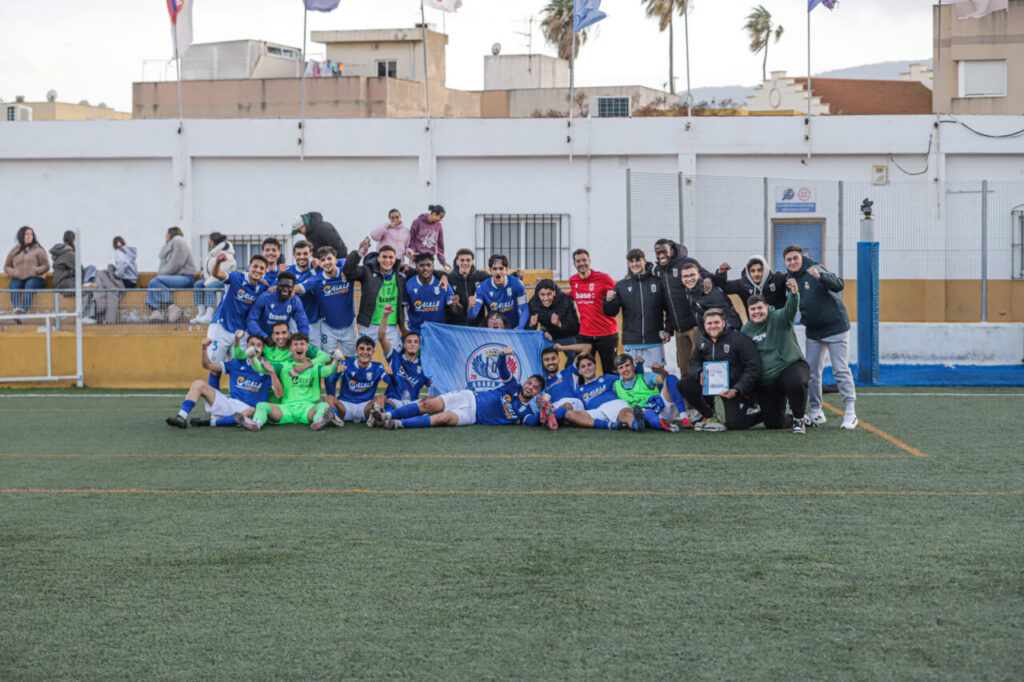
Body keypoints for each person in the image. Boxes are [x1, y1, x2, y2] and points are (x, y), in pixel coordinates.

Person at [784, 245, 857, 430]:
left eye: (795, 258)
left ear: (801, 258)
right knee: (813, 373)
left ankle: (850, 412)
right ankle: (816, 411)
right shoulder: (789, 278)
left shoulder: (816, 268)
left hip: (836, 328)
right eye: (789, 259)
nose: (792, 262)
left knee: (840, 370)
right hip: (813, 332)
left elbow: (839, 284)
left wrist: (821, 276)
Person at [379, 348, 544, 429]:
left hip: (471, 416)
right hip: (469, 397)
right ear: (525, 382)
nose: (530, 387)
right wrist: (502, 355)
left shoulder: (525, 412)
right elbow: (503, 370)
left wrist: (544, 412)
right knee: (427, 405)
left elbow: (533, 422)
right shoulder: (513, 386)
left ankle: (397, 424)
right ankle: (386, 415)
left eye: (535, 387)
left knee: (441, 419)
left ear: (538, 393)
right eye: (530, 383)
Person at [166, 333, 282, 429]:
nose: (255, 347)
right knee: (198, 384)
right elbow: (207, 365)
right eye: (251, 344)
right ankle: (181, 417)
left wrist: (272, 373)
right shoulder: (236, 363)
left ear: (263, 349)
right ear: (246, 347)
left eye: (258, 345)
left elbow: (278, 394)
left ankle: (211, 422)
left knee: (251, 410)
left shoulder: (266, 367)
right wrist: (204, 348)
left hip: (249, 410)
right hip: (230, 403)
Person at [674, 309, 763, 432]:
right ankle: (710, 415)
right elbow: (693, 362)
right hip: (710, 384)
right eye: (709, 323)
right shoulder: (702, 341)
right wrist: (700, 372)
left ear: (724, 323)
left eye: (716, 322)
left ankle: (764, 415)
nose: (713, 326)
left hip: (732, 387)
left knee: (734, 424)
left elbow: (753, 367)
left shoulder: (739, 339)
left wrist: (737, 389)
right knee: (683, 384)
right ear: (704, 325)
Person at [236, 333, 343, 431]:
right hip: (286, 409)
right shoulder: (283, 365)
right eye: (295, 344)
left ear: (307, 347)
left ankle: (319, 421)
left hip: (308, 408)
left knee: (323, 405)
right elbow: (261, 369)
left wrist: (335, 362)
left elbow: (327, 371)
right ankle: (255, 423)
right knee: (262, 405)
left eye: (302, 344)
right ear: (291, 349)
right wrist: (253, 359)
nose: (299, 347)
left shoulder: (315, 366)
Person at [741, 282, 810, 434]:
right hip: (768, 381)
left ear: (767, 307)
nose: (757, 311)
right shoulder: (746, 330)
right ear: (748, 311)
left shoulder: (780, 317)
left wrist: (793, 293)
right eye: (753, 309)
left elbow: (791, 309)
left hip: (790, 367)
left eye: (760, 308)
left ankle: (799, 418)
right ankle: (792, 419)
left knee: (795, 380)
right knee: (773, 423)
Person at [651, 239, 712, 376]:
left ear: (671, 251)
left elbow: (706, 275)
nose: (661, 255)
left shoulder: (686, 263)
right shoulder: (658, 271)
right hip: (679, 329)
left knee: (698, 366)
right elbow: (667, 304)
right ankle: (688, 397)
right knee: (683, 367)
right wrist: (668, 328)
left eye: (664, 251)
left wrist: (709, 278)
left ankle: (705, 397)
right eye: (658, 252)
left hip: (696, 325)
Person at [603, 249, 671, 366]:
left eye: (638, 260)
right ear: (629, 264)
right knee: (632, 378)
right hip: (631, 342)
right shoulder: (621, 285)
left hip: (654, 341)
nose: (635, 264)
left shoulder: (657, 282)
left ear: (644, 261)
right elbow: (611, 312)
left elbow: (669, 308)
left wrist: (669, 330)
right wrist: (608, 301)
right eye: (631, 261)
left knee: (656, 377)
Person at [205, 253, 269, 373]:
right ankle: (213, 392)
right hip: (220, 327)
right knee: (215, 368)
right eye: (255, 266)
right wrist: (218, 262)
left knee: (239, 369)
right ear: (249, 267)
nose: (258, 270)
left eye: (261, 268)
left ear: (265, 271)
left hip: (241, 333)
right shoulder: (235, 277)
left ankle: (233, 392)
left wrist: (273, 287)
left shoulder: (262, 287)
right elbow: (217, 274)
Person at [368, 305, 431, 422]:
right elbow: (381, 337)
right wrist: (385, 316)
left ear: (419, 346)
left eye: (415, 342)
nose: (412, 344)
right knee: (383, 399)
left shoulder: (424, 366)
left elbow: (432, 387)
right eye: (409, 342)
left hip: (412, 403)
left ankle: (393, 417)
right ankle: (386, 417)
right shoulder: (395, 357)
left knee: (430, 400)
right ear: (404, 345)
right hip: (394, 401)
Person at [343, 244, 408, 351]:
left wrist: (442, 276)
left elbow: (424, 272)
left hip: (391, 325)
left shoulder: (400, 274)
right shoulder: (367, 271)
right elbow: (348, 271)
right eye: (384, 257)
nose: (387, 260)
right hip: (369, 325)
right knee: (364, 356)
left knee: (395, 357)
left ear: (395, 259)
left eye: (391, 257)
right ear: (378, 258)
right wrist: (358, 253)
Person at [294, 246, 356, 356]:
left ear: (335, 260)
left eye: (329, 258)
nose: (326, 262)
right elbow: (298, 288)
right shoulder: (316, 280)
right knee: (328, 360)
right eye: (322, 260)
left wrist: (344, 263)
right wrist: (278, 287)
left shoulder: (347, 272)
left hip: (349, 325)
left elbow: (352, 261)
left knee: (349, 359)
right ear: (319, 263)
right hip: (328, 327)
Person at [568, 249, 619, 375]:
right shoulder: (573, 281)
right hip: (585, 334)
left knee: (610, 371)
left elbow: (618, 293)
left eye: (584, 260)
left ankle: (611, 395)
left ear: (589, 261)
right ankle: (586, 394)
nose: (582, 263)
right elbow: (569, 296)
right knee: (583, 371)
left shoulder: (603, 278)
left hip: (607, 333)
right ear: (574, 264)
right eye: (578, 261)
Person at [562, 353, 642, 431]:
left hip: (614, 404)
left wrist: (639, 366)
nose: (587, 368)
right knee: (569, 414)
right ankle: (609, 425)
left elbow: (629, 376)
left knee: (627, 414)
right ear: (579, 371)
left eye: (589, 365)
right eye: (583, 367)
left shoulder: (607, 377)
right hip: (597, 411)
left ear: (595, 366)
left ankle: (636, 424)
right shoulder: (578, 390)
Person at [322, 335, 390, 423]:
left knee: (381, 397)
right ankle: (334, 418)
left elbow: (392, 383)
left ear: (373, 352)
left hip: (366, 407)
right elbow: (331, 381)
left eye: (368, 349)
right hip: (345, 406)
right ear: (356, 351)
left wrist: (391, 375)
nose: (365, 352)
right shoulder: (346, 364)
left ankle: (376, 419)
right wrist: (337, 372)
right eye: (362, 349)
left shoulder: (378, 367)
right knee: (329, 398)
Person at [611, 354, 678, 432]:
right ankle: (663, 424)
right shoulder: (615, 385)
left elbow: (666, 380)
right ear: (618, 371)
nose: (625, 369)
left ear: (633, 366)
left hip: (661, 410)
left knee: (671, 379)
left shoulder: (646, 377)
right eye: (621, 368)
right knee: (641, 413)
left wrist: (662, 372)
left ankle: (683, 416)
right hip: (637, 417)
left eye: (627, 365)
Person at [145, 226, 197, 322]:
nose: (165, 237)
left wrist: (162, 274)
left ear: (169, 234)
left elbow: (177, 262)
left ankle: (172, 307)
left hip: (185, 278)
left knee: (156, 281)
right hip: (174, 278)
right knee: (153, 282)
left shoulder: (179, 241)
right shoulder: (168, 246)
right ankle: (156, 310)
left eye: (166, 235)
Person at [468, 254, 528, 329]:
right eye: (495, 269)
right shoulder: (482, 287)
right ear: (490, 270)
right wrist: (470, 308)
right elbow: (472, 315)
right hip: (495, 332)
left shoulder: (517, 283)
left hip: (515, 329)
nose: (498, 272)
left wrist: (519, 329)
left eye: (501, 268)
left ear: (506, 270)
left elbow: (525, 309)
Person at [528, 279, 581, 364]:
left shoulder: (566, 300)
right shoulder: (533, 302)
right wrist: (531, 325)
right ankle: (543, 376)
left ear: (555, 292)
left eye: (549, 294)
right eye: (542, 295)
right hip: (547, 333)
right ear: (538, 295)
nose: (546, 298)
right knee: (535, 354)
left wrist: (560, 324)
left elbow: (576, 327)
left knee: (574, 355)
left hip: (565, 334)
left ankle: (568, 375)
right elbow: (529, 332)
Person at [50, 231, 97, 323]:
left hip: (62, 283)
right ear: (74, 240)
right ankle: (84, 316)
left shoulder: (60, 251)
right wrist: (71, 272)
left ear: (63, 239)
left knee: (89, 279)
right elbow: (80, 268)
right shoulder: (69, 253)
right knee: (88, 287)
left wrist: (71, 272)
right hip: (65, 284)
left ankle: (85, 284)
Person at [404, 252, 456, 335]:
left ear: (433, 267)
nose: (425, 268)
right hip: (415, 332)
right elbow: (402, 307)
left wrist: (455, 304)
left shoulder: (443, 283)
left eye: (428, 265)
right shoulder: (408, 284)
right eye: (421, 265)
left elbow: (455, 310)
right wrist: (403, 329)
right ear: (416, 267)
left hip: (438, 332)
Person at [680, 262, 743, 331]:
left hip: (724, 333)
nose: (689, 279)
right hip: (710, 334)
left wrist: (730, 330)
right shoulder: (689, 291)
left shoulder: (708, 289)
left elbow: (727, 312)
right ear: (681, 279)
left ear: (699, 275)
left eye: (692, 275)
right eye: (685, 276)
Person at [246, 271, 309, 338]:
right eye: (282, 286)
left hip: (281, 338)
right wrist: (264, 337)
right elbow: (251, 320)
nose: (285, 289)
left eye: (288, 287)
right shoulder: (265, 297)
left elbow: (303, 323)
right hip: (261, 336)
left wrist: (303, 338)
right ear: (277, 286)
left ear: (293, 288)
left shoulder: (295, 301)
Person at [713, 255, 787, 311]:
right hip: (755, 326)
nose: (756, 274)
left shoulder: (777, 279)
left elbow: (792, 277)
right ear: (748, 272)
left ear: (765, 270)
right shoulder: (742, 284)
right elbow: (724, 287)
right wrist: (721, 273)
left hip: (777, 325)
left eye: (759, 270)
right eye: (753, 271)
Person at [91, 236, 137, 325]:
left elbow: (122, 266)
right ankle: (109, 289)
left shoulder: (119, 252)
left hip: (124, 281)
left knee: (102, 274)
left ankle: (100, 307)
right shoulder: (129, 252)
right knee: (104, 275)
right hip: (132, 281)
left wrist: (116, 274)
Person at [190, 232, 234, 324]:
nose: (209, 243)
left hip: (224, 280)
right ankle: (201, 313)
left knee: (210, 286)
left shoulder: (226, 255)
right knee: (197, 284)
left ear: (213, 242)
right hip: (212, 278)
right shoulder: (213, 254)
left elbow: (221, 274)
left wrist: (207, 281)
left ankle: (208, 315)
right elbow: (209, 270)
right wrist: (204, 276)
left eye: (209, 241)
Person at [4, 226, 50, 314]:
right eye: (27, 234)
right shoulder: (14, 251)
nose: (29, 236)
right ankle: (17, 309)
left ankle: (24, 311)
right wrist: (14, 272)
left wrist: (36, 270)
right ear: (21, 236)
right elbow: (6, 266)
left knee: (30, 284)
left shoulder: (38, 250)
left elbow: (46, 266)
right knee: (14, 284)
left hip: (36, 278)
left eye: (31, 234)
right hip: (19, 277)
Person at [285, 240, 320, 342]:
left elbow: (339, 262)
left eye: (305, 253)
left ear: (311, 254)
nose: (302, 257)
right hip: (294, 322)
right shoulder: (288, 271)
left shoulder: (317, 269)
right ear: (294, 255)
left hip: (314, 321)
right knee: (296, 354)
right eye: (298, 254)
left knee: (316, 354)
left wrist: (321, 261)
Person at [445, 248, 490, 326]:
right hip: (455, 326)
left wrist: (516, 275)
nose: (465, 263)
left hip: (476, 326)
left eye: (468, 260)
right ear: (457, 262)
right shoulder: (449, 278)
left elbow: (497, 278)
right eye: (462, 260)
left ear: (472, 262)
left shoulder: (482, 276)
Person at [408, 204, 448, 269]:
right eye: (440, 217)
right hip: (417, 255)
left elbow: (440, 244)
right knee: (415, 276)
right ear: (434, 214)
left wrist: (442, 260)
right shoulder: (417, 222)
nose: (441, 219)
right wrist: (412, 251)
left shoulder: (438, 226)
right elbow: (411, 239)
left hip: (430, 256)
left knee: (428, 276)